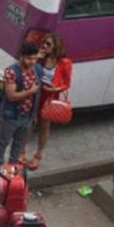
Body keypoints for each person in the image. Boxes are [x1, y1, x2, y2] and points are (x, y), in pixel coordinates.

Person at [23, 33, 73, 171]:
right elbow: (27, 69)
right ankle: (22, 150)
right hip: (37, 92)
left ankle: (38, 155)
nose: (44, 46)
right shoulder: (41, 57)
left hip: (50, 95)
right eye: (44, 42)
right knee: (31, 122)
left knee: (45, 125)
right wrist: (37, 57)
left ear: (56, 46)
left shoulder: (64, 62)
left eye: (48, 44)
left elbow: (67, 83)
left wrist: (56, 88)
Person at [0, 41, 42, 173]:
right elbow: (11, 96)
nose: (32, 61)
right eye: (29, 58)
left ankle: (12, 167)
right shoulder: (11, 72)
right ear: (21, 56)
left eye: (34, 58)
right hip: (12, 115)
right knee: (3, 142)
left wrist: (34, 114)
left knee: (19, 144)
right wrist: (30, 92)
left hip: (28, 116)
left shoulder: (37, 69)